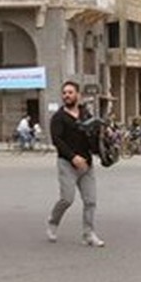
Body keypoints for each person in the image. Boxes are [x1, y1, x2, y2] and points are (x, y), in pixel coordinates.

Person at [46, 80, 104, 247]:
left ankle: (88, 234)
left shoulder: (86, 115)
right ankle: (53, 221)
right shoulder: (58, 118)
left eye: (70, 92)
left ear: (78, 95)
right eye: (64, 93)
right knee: (67, 199)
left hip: (87, 165)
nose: (67, 96)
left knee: (90, 201)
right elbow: (57, 141)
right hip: (67, 164)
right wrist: (73, 158)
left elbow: (93, 137)